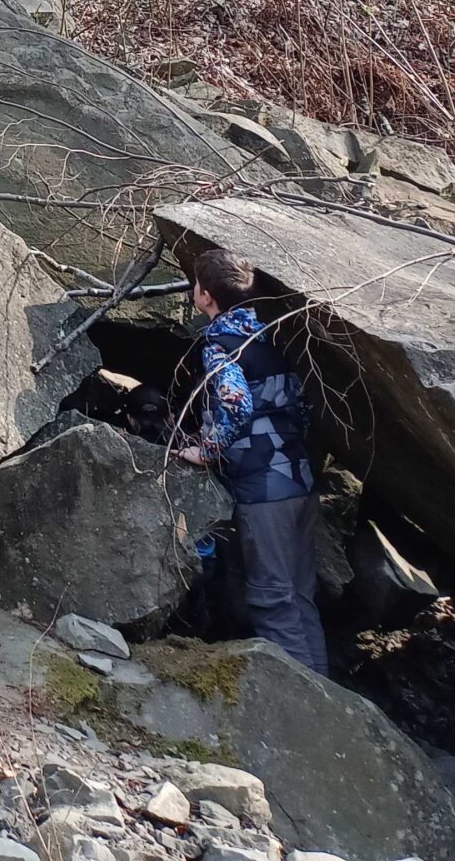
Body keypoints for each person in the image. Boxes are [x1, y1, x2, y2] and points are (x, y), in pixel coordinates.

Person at [179, 245, 327, 673]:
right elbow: (301, 406)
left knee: (272, 603)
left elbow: (236, 402)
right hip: (300, 480)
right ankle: (329, 697)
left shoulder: (219, 343)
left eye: (195, 285)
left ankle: (304, 703)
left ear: (205, 296)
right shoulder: (270, 336)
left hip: (264, 493)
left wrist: (207, 451)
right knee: (300, 599)